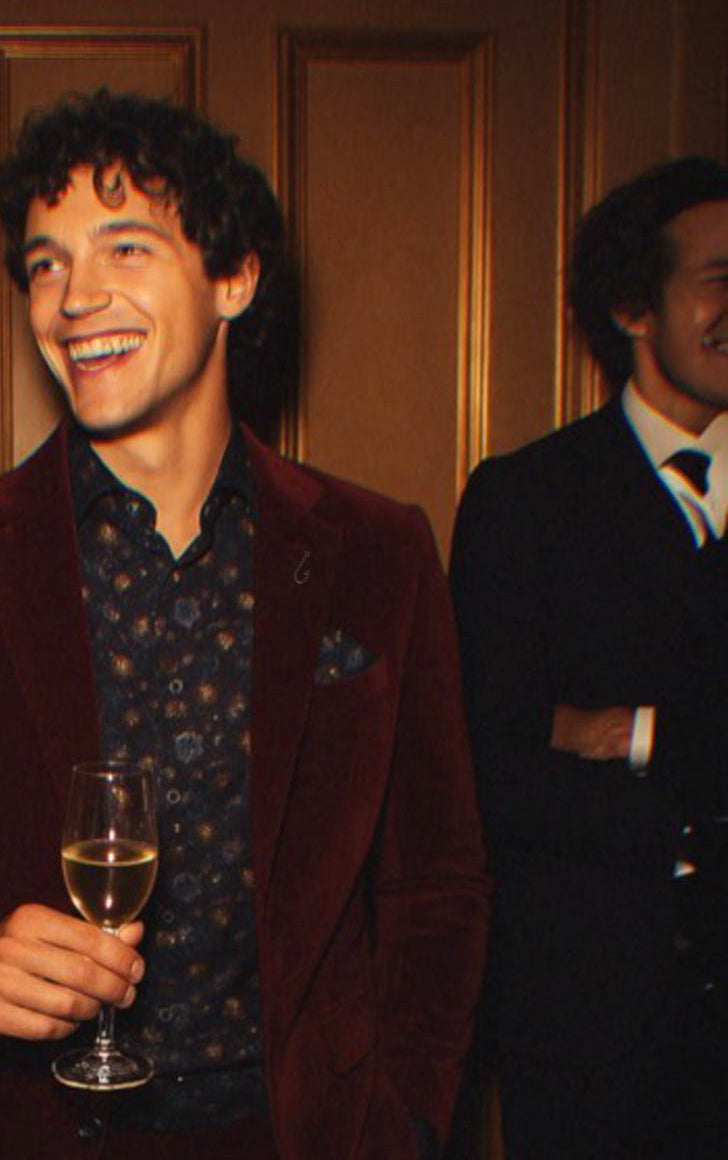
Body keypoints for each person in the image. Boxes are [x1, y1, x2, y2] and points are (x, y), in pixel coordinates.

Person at [0, 89, 488, 1160]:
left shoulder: (380, 552)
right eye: (45, 263)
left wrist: (408, 1121)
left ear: (234, 278)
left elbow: (437, 883)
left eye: (125, 248)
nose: (73, 298)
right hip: (18, 1133)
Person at [449, 157, 728, 1160]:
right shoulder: (524, 501)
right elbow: (488, 764)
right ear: (630, 306)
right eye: (719, 282)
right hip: (588, 1032)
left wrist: (633, 732)